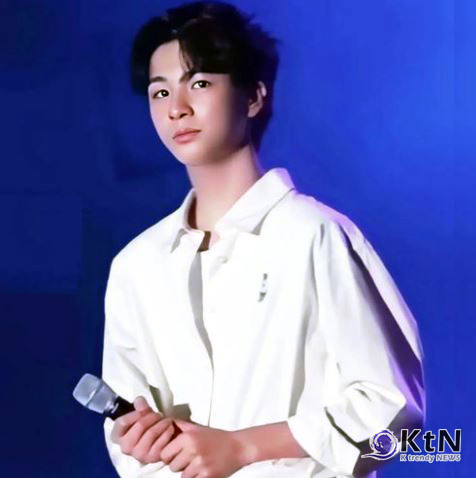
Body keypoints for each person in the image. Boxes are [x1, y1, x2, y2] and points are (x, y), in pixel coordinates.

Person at [101, 2, 425, 477]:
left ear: (253, 96)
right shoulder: (136, 266)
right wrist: (139, 444)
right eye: (160, 92)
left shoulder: (314, 236)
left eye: (199, 83)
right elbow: (129, 446)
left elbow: (397, 417)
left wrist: (243, 447)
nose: (176, 108)